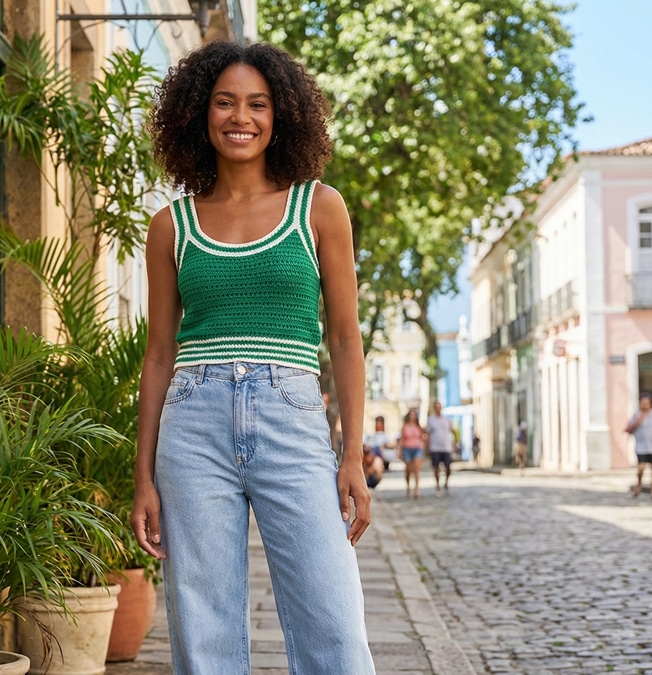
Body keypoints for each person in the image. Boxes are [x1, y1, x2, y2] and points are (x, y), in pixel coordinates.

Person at [131, 41, 375, 673]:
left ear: (281, 115)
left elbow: (345, 339)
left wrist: (351, 453)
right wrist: (143, 477)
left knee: (334, 623)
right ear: (199, 114)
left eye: (258, 104)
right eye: (225, 102)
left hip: (290, 415)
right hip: (193, 426)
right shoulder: (172, 225)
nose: (241, 117)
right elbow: (159, 355)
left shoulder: (318, 208)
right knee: (203, 629)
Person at [426, 401, 455, 495]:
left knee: (448, 467)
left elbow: (453, 431)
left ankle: (446, 482)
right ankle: (438, 485)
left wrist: (455, 443)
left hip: (446, 447)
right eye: (436, 407)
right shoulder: (431, 420)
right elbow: (427, 434)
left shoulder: (446, 419)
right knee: (436, 468)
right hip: (435, 447)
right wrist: (427, 446)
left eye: (439, 407)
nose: (438, 409)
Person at [399, 409, 426, 499]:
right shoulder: (405, 427)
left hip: (417, 448)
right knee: (408, 470)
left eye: (414, 415)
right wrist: (399, 451)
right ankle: (408, 487)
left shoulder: (418, 426)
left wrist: (424, 444)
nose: (412, 416)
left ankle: (416, 489)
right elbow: (401, 439)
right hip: (407, 448)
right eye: (411, 415)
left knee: (417, 469)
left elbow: (423, 436)